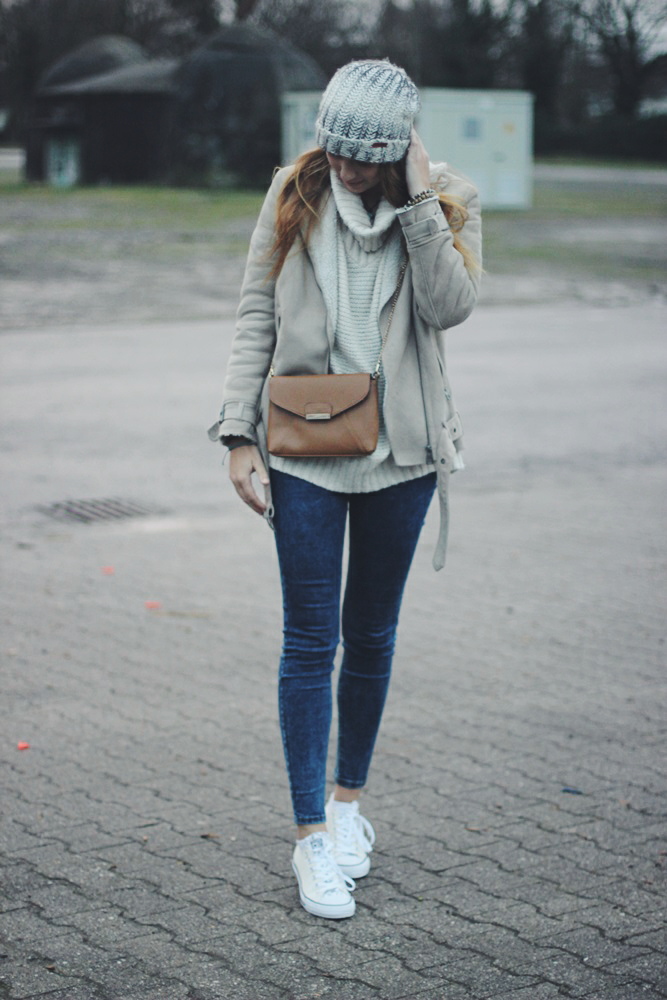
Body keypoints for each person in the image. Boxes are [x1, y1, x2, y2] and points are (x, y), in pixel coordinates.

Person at [209, 59, 481, 919]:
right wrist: (237, 435)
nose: (347, 168)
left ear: (396, 149)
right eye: (336, 150)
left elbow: (449, 307)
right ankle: (310, 839)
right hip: (303, 451)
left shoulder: (446, 199)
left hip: (401, 456)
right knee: (307, 641)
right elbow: (255, 312)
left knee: (370, 636)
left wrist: (418, 203)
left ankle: (347, 805)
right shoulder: (293, 190)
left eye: (365, 156)